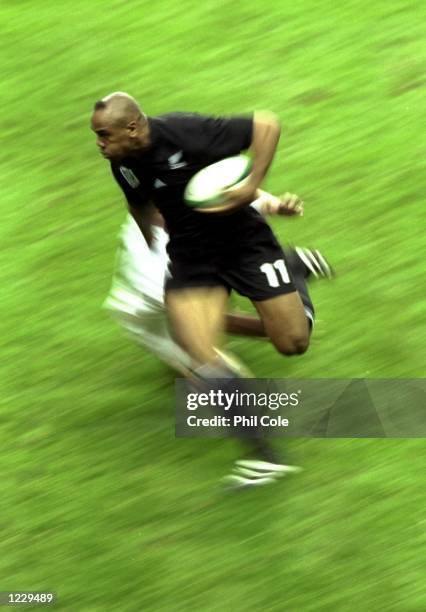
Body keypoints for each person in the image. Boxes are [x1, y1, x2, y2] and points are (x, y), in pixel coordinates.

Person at [91, 92, 333, 488]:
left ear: (132, 127)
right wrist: (152, 236)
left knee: (292, 342)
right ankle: (266, 459)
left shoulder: (187, 132)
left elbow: (267, 124)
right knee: (202, 357)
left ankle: (294, 272)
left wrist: (253, 186)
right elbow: (139, 205)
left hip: (244, 245)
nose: (99, 144)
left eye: (104, 135)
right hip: (192, 258)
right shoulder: (122, 164)